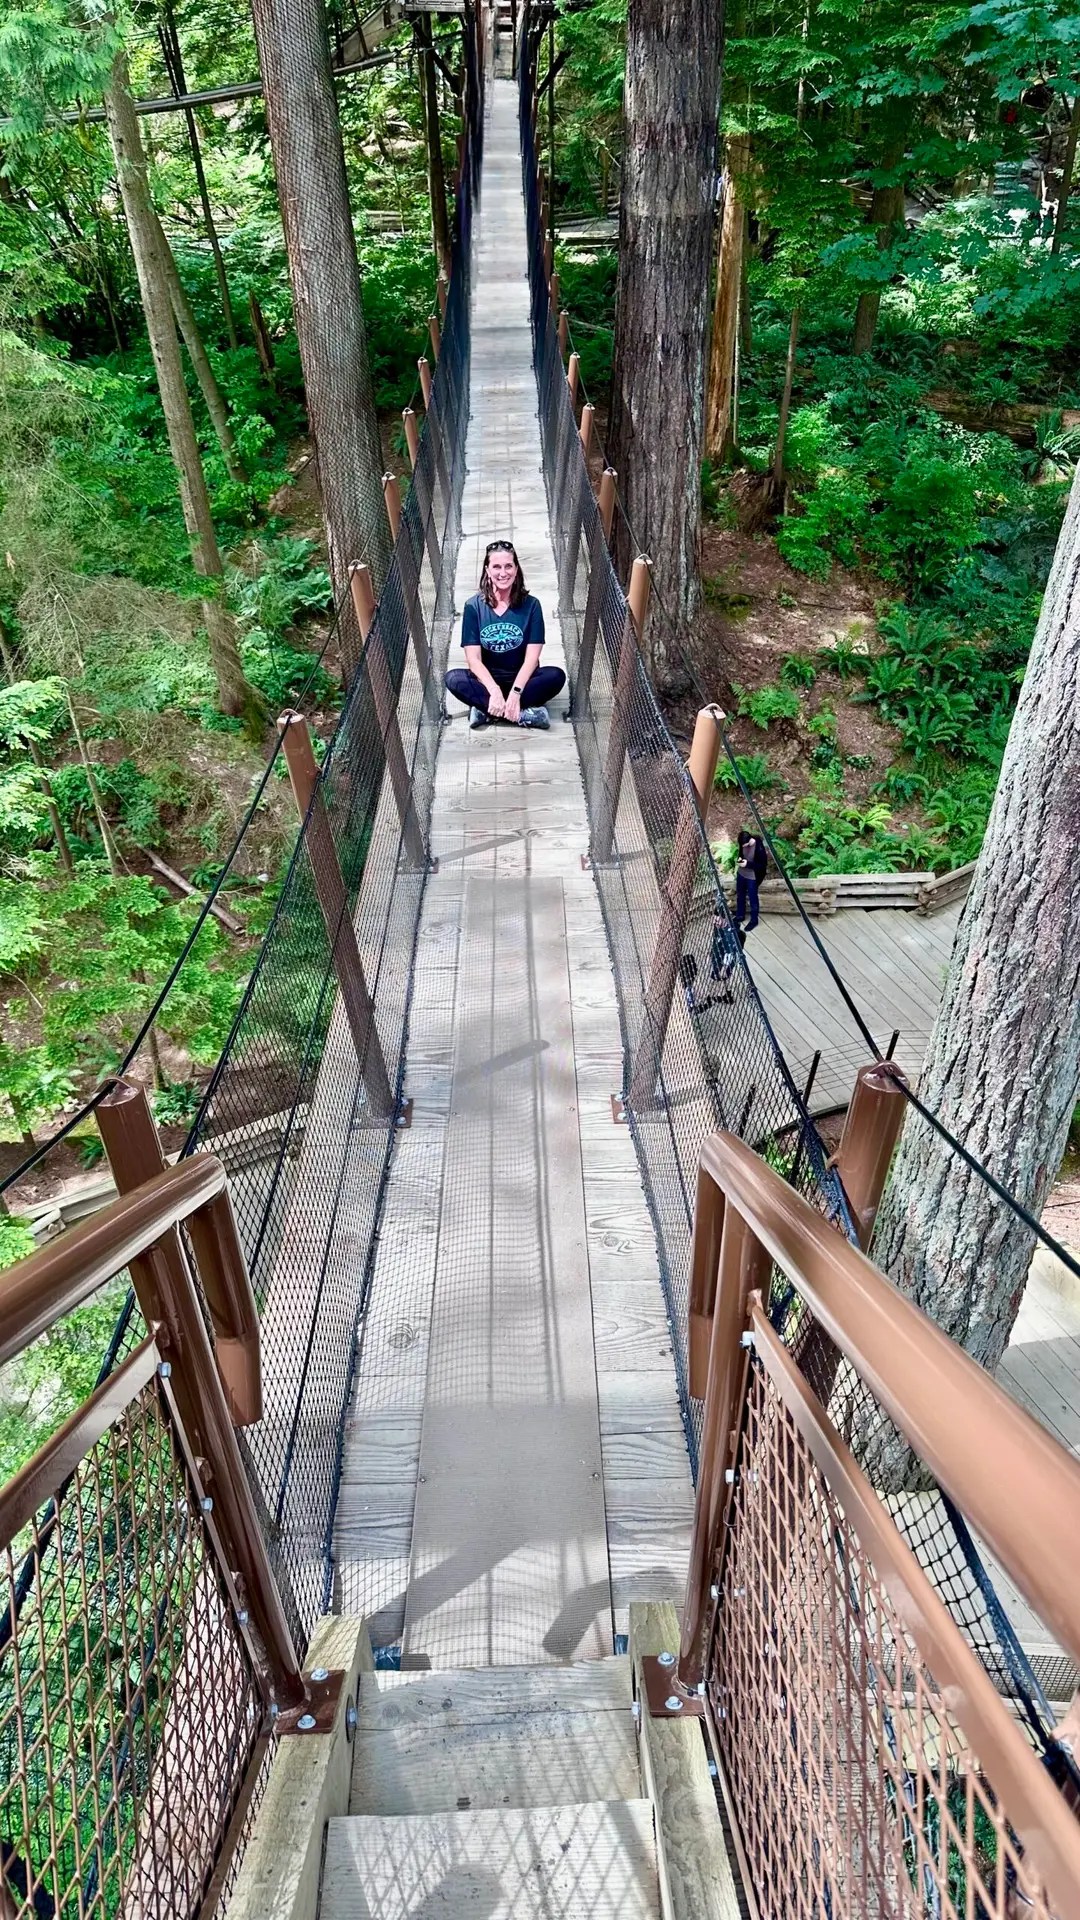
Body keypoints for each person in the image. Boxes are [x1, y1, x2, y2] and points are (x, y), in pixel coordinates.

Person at [445, 540, 566, 731]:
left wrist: (516, 693)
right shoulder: (473, 607)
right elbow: (473, 660)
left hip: (523, 681)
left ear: (516, 569)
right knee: (453, 679)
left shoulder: (532, 605)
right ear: (487, 570)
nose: (503, 573)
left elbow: (532, 659)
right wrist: (494, 691)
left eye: (508, 566)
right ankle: (523, 715)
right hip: (486, 683)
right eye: (496, 567)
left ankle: (487, 712)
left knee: (556, 676)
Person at [736, 829, 765, 932]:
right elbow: (740, 853)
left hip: (752, 876)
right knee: (740, 895)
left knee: (753, 898)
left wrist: (747, 864)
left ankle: (754, 920)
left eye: (744, 845)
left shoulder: (759, 847)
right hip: (741, 873)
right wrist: (740, 860)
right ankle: (740, 915)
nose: (742, 847)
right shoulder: (742, 844)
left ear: (749, 841)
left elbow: (761, 866)